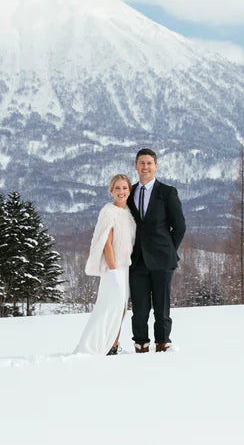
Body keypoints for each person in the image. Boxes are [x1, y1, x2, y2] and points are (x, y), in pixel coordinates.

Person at [127, 148, 185, 353]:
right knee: (140, 308)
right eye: (141, 163)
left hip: (162, 259)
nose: (145, 167)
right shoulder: (129, 192)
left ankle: (162, 343)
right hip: (136, 260)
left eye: (149, 163)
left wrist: (168, 249)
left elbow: (179, 226)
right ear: (136, 166)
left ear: (156, 166)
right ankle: (140, 344)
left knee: (162, 307)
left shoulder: (167, 192)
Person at [74, 174, 136, 356]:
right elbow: (106, 243)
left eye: (125, 188)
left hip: (125, 267)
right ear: (111, 190)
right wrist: (113, 270)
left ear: (129, 190)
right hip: (114, 268)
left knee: (121, 308)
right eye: (117, 188)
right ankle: (94, 346)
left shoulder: (128, 213)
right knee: (109, 306)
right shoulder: (109, 212)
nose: (121, 191)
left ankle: (112, 345)